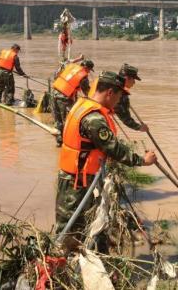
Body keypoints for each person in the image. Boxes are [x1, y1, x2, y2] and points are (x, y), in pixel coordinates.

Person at [55, 71, 157, 250]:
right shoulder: (94, 118)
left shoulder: (82, 104)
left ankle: (97, 257)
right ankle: (60, 268)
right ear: (109, 93)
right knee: (69, 231)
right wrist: (143, 160)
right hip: (77, 182)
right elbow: (114, 149)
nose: (118, 103)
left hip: (82, 178)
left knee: (94, 222)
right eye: (118, 97)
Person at [51, 58, 94, 147]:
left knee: (58, 121)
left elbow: (55, 75)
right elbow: (87, 92)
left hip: (53, 94)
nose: (89, 72)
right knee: (68, 120)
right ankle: (68, 143)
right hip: (64, 98)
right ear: (86, 67)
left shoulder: (70, 66)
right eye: (89, 70)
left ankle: (59, 142)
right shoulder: (83, 75)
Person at [114, 63, 148, 132]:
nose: (134, 83)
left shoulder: (109, 81)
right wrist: (139, 127)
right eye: (133, 79)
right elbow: (125, 118)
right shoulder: (120, 93)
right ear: (127, 78)